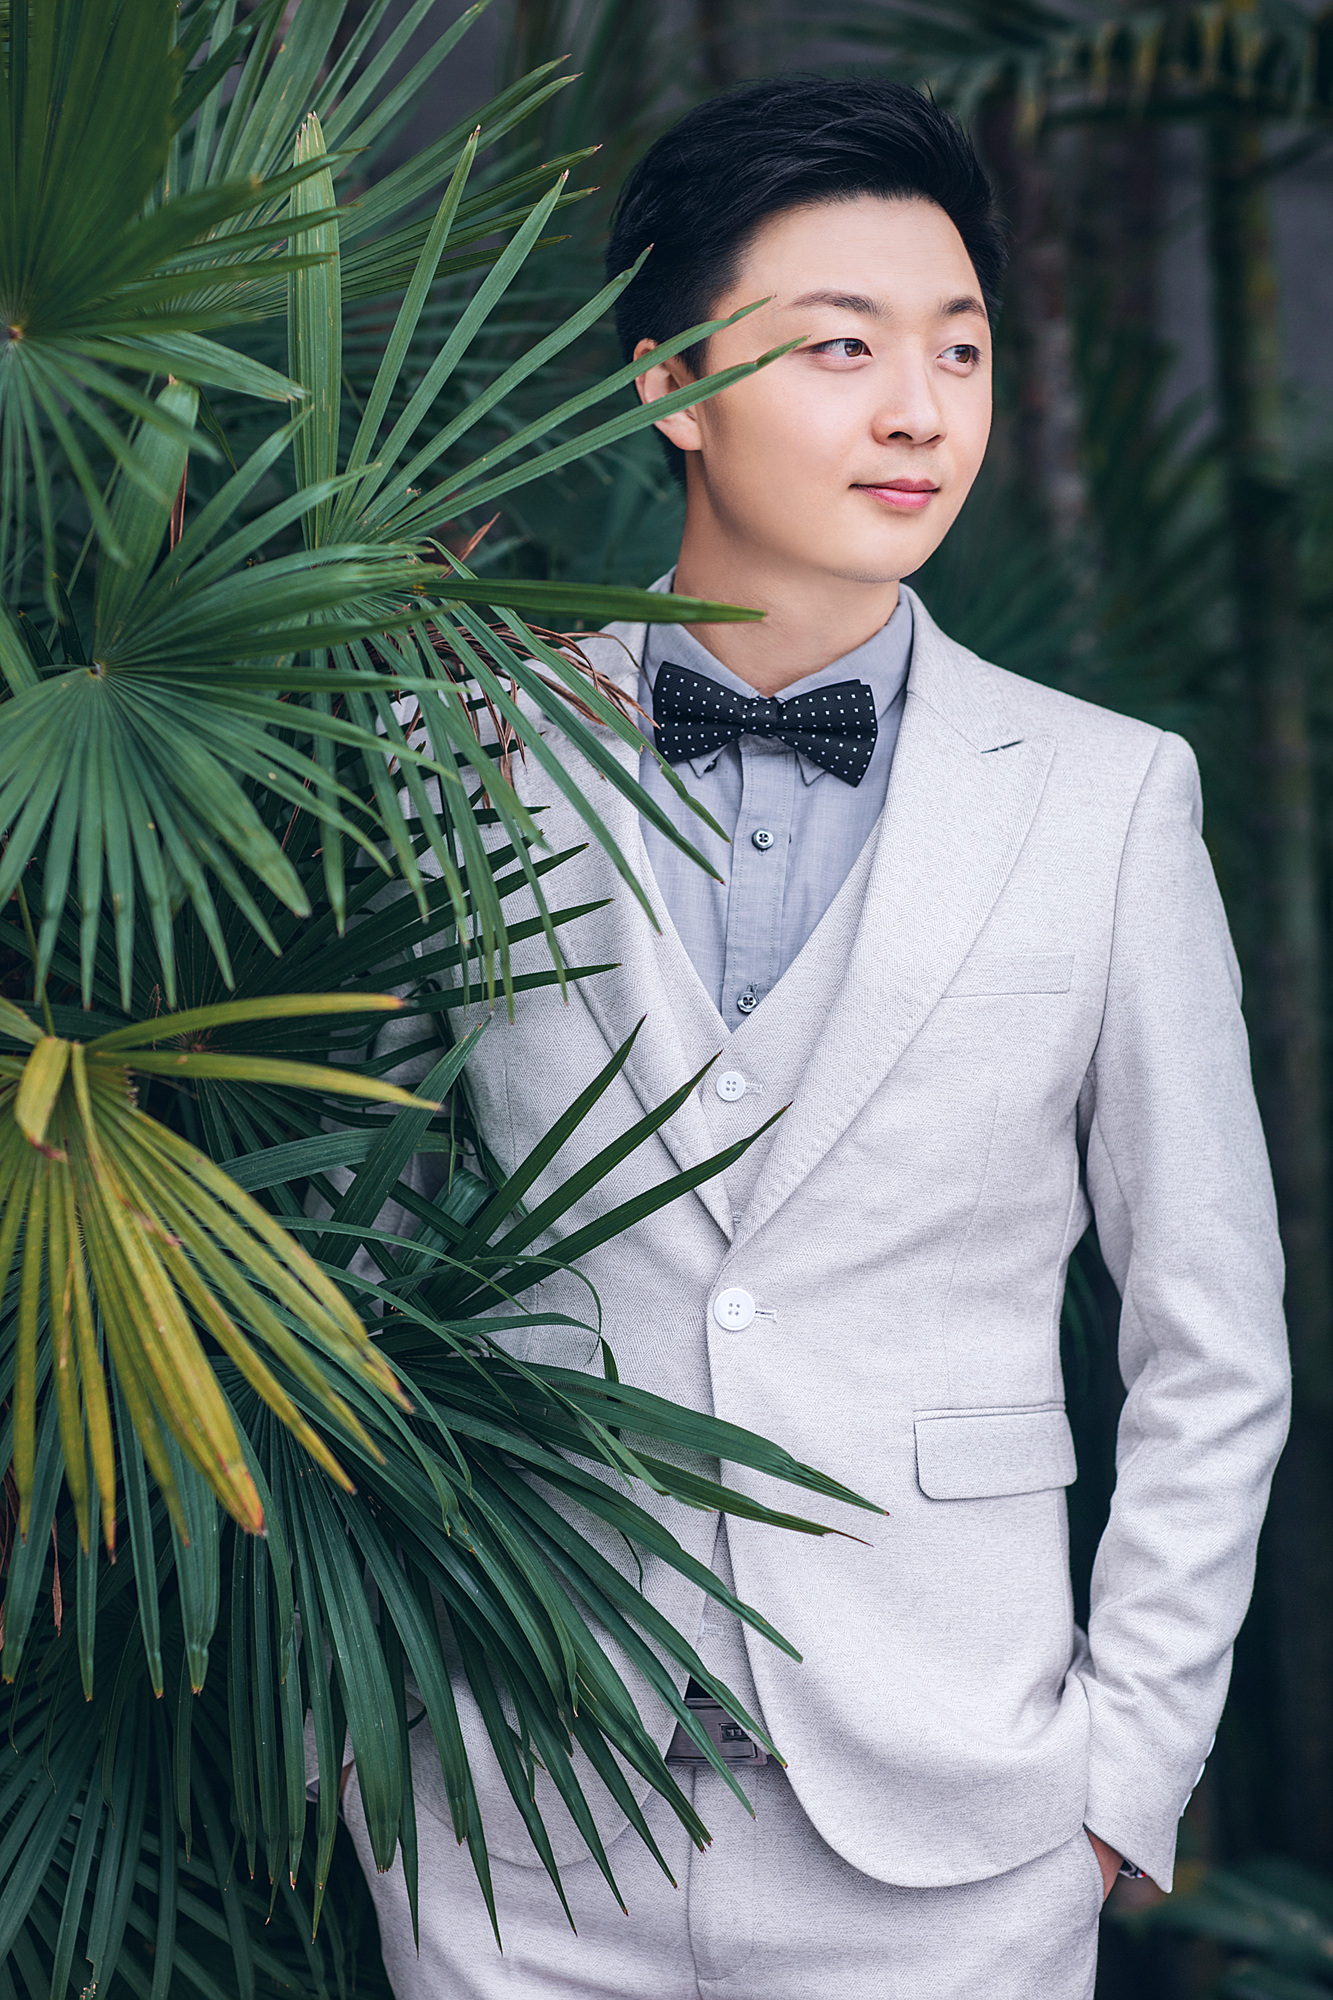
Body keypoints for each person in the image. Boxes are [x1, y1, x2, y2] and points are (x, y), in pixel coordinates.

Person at [344, 78, 1291, 1999]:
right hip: (510, 1811)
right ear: (671, 388)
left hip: (956, 1835)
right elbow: (341, 1257)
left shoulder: (1106, 798)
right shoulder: (456, 749)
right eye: (842, 347)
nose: (920, 410)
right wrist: (354, 1749)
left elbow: (1211, 1337)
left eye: (959, 348)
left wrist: (1123, 1775)